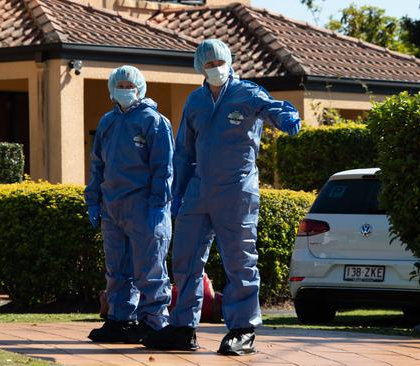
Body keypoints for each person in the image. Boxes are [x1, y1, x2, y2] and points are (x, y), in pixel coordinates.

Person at [142, 39, 301, 355]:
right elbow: (184, 152)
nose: (215, 68)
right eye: (208, 63)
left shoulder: (248, 94)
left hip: (236, 190)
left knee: (239, 261)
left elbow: (271, 108)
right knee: (185, 259)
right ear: (200, 68)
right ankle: (183, 328)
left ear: (229, 61)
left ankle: (243, 330)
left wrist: (286, 117)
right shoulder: (196, 101)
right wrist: (176, 196)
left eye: (219, 62)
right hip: (198, 191)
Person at [84, 65, 174, 344]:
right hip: (112, 208)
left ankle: (155, 323)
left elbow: (164, 167)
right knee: (117, 270)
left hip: (145, 207)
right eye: (120, 85)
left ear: (140, 87)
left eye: (129, 85)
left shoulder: (154, 122)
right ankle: (121, 320)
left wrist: (159, 204)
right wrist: (93, 199)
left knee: (150, 269)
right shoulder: (108, 122)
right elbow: (98, 164)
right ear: (111, 89)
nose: (125, 89)